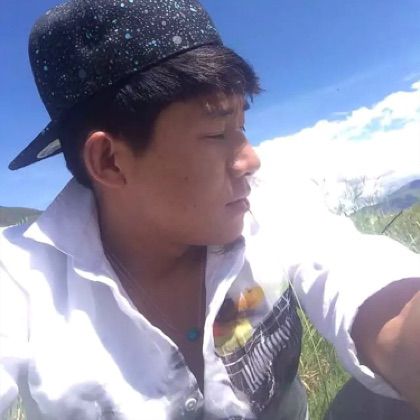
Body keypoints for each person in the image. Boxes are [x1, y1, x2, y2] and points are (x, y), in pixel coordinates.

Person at [1, 0, 420, 419]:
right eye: (218, 132)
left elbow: (358, 273)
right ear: (110, 161)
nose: (250, 160)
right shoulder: (18, 279)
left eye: (242, 126)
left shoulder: (268, 204)